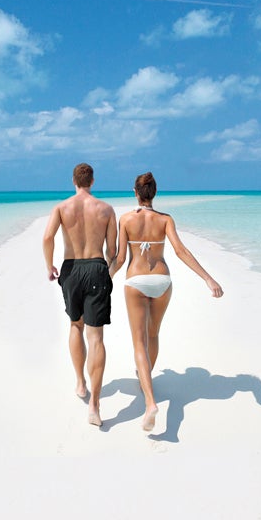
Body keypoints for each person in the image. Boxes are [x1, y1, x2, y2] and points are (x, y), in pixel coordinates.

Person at [111, 172, 222, 432]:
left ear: (135, 192)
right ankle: (146, 379)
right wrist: (208, 279)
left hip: (136, 281)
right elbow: (181, 251)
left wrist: (105, 279)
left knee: (138, 340)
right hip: (162, 281)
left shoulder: (126, 219)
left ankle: (150, 401)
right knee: (153, 334)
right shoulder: (165, 220)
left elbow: (119, 258)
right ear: (154, 193)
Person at [42, 162, 119, 426]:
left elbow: (47, 238)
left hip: (71, 268)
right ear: (92, 181)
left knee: (75, 325)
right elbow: (113, 251)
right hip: (97, 268)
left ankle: (80, 383)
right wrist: (107, 272)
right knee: (96, 337)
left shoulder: (62, 208)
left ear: (73, 182)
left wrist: (49, 265)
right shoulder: (106, 210)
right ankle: (95, 406)